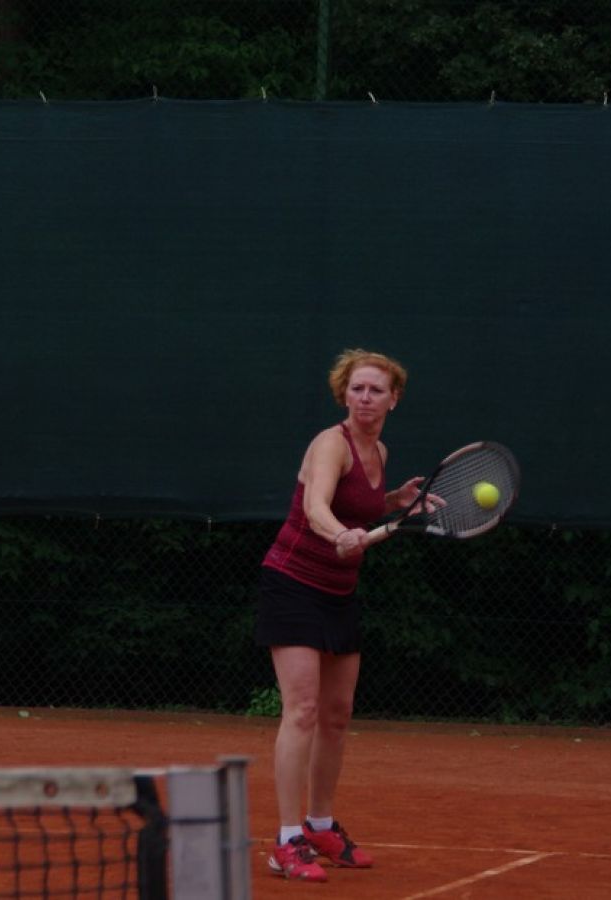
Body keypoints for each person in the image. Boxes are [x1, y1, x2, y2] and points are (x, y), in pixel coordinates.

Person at [255, 348, 425, 882]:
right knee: (302, 710)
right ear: (343, 394)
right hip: (292, 585)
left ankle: (320, 825)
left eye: (376, 390)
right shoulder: (331, 444)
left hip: (338, 592)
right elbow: (316, 507)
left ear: (394, 399)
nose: (365, 397)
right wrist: (340, 535)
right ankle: (286, 841)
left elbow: (359, 503)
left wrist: (394, 500)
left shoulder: (380, 451)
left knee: (336, 713)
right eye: (357, 389)